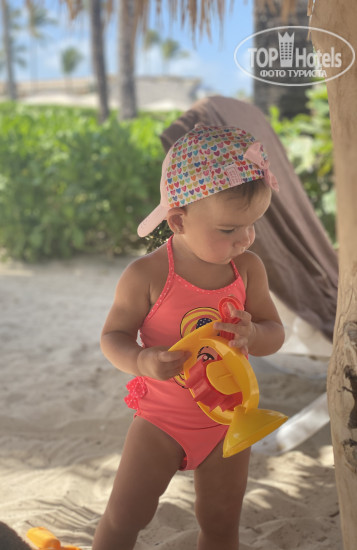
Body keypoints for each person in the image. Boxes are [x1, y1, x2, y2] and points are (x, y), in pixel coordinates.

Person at [92, 125, 285, 550]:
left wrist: (254, 334)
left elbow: (275, 333)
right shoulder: (147, 275)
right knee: (126, 515)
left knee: (221, 520)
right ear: (178, 220)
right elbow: (112, 336)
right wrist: (141, 361)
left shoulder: (247, 270)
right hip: (162, 421)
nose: (245, 239)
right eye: (229, 229)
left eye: (252, 225)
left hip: (229, 423)